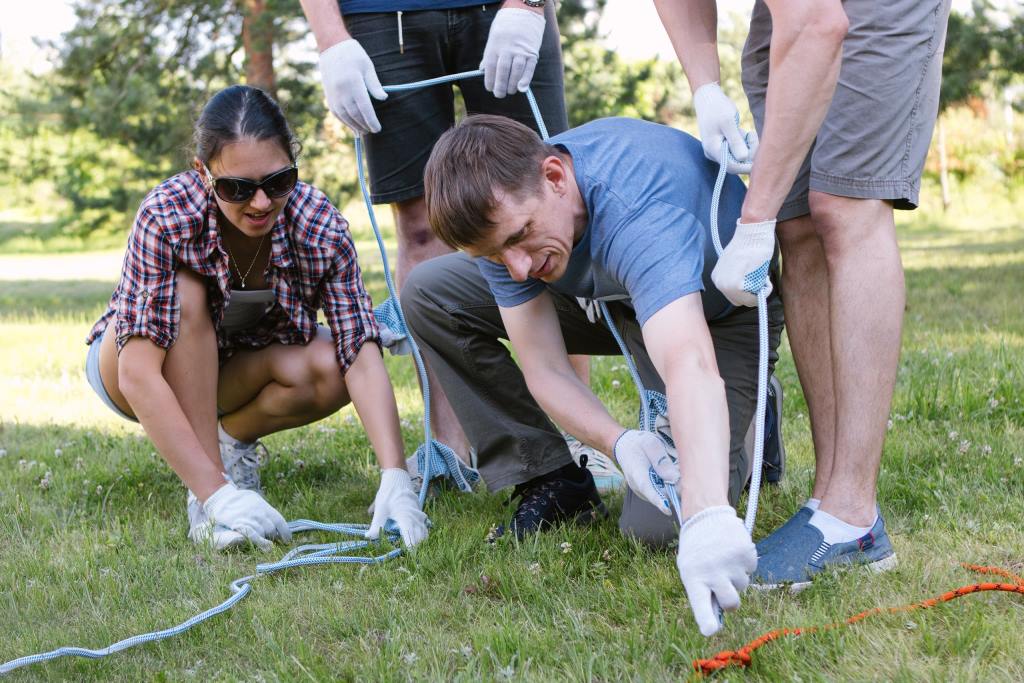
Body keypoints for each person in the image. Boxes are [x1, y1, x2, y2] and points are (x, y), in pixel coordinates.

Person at [403, 114, 784, 636]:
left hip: (715, 313)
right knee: (430, 292)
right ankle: (550, 476)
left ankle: (751, 413)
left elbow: (688, 364)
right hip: (608, 303)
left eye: (520, 237)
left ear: (556, 177)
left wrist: (706, 516)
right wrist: (618, 441)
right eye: (494, 254)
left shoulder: (636, 210)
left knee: (659, 527)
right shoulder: (506, 228)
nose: (514, 269)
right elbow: (544, 366)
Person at [654, 0, 951, 589]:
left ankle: (854, 514)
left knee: (844, 205)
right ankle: (828, 498)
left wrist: (752, 220)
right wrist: (705, 88)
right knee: (799, 225)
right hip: (794, 12)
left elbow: (820, 24)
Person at [298, 0, 624, 491]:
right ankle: (448, 446)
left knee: (538, 209)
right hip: (382, 16)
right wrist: (330, 39)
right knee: (422, 225)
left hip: (504, 8)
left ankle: (578, 438)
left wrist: (526, 3)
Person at [84, 85, 427, 551]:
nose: (261, 203)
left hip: (235, 370)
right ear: (203, 173)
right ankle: (207, 494)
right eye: (236, 189)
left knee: (332, 363)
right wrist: (217, 494)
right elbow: (137, 375)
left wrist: (395, 475)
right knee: (189, 293)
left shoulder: (318, 224)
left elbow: (359, 348)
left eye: (278, 181)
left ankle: (229, 441)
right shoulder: (167, 215)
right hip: (136, 372)